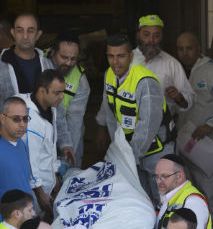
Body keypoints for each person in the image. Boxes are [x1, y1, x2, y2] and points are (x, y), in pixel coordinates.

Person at [95, 33, 175, 205]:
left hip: (156, 150)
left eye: (121, 56)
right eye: (111, 56)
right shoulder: (109, 75)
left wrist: (129, 157)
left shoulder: (145, 81)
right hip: (132, 149)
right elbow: (110, 113)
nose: (115, 62)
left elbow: (148, 126)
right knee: (141, 199)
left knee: (161, 200)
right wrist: (118, 147)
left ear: (131, 56)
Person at [175, 31, 213, 222]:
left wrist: (210, 126)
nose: (184, 53)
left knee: (211, 195)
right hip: (184, 146)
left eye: (189, 48)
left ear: (199, 49)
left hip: (207, 146)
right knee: (188, 196)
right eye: (181, 49)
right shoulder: (175, 72)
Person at [0, 13, 56, 138]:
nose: (25, 36)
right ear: (13, 33)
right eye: (20, 31)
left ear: (38, 35)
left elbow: (57, 109)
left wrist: (64, 143)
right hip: (6, 145)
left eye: (30, 31)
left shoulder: (47, 66)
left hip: (43, 145)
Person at [18, 69, 75, 216]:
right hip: (34, 191)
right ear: (42, 91)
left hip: (47, 183)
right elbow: (30, 158)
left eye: (62, 92)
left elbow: (49, 147)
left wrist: (54, 173)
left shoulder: (50, 109)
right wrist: (40, 193)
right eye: (57, 93)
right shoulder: (30, 120)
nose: (62, 97)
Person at [133, 15, 195, 115]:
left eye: (156, 36)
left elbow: (189, 101)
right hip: (130, 126)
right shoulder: (126, 61)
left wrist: (179, 98)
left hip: (162, 126)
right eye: (146, 34)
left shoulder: (172, 64)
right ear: (138, 35)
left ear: (162, 38)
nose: (151, 40)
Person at [47, 33, 91, 167]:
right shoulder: (38, 62)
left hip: (68, 132)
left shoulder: (80, 81)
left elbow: (74, 124)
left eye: (73, 59)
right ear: (52, 52)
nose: (68, 63)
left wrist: (66, 153)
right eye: (64, 57)